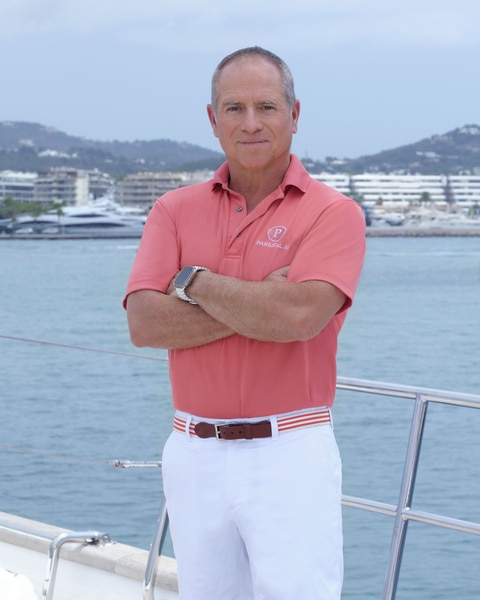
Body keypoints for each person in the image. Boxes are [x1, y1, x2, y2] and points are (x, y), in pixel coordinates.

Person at [124, 46, 366, 600]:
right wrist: (262, 303)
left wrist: (191, 283)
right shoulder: (173, 209)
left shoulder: (333, 213)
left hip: (290, 452)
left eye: (266, 106)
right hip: (192, 452)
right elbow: (144, 323)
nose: (250, 123)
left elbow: (301, 315)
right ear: (213, 120)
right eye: (234, 108)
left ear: (295, 114)